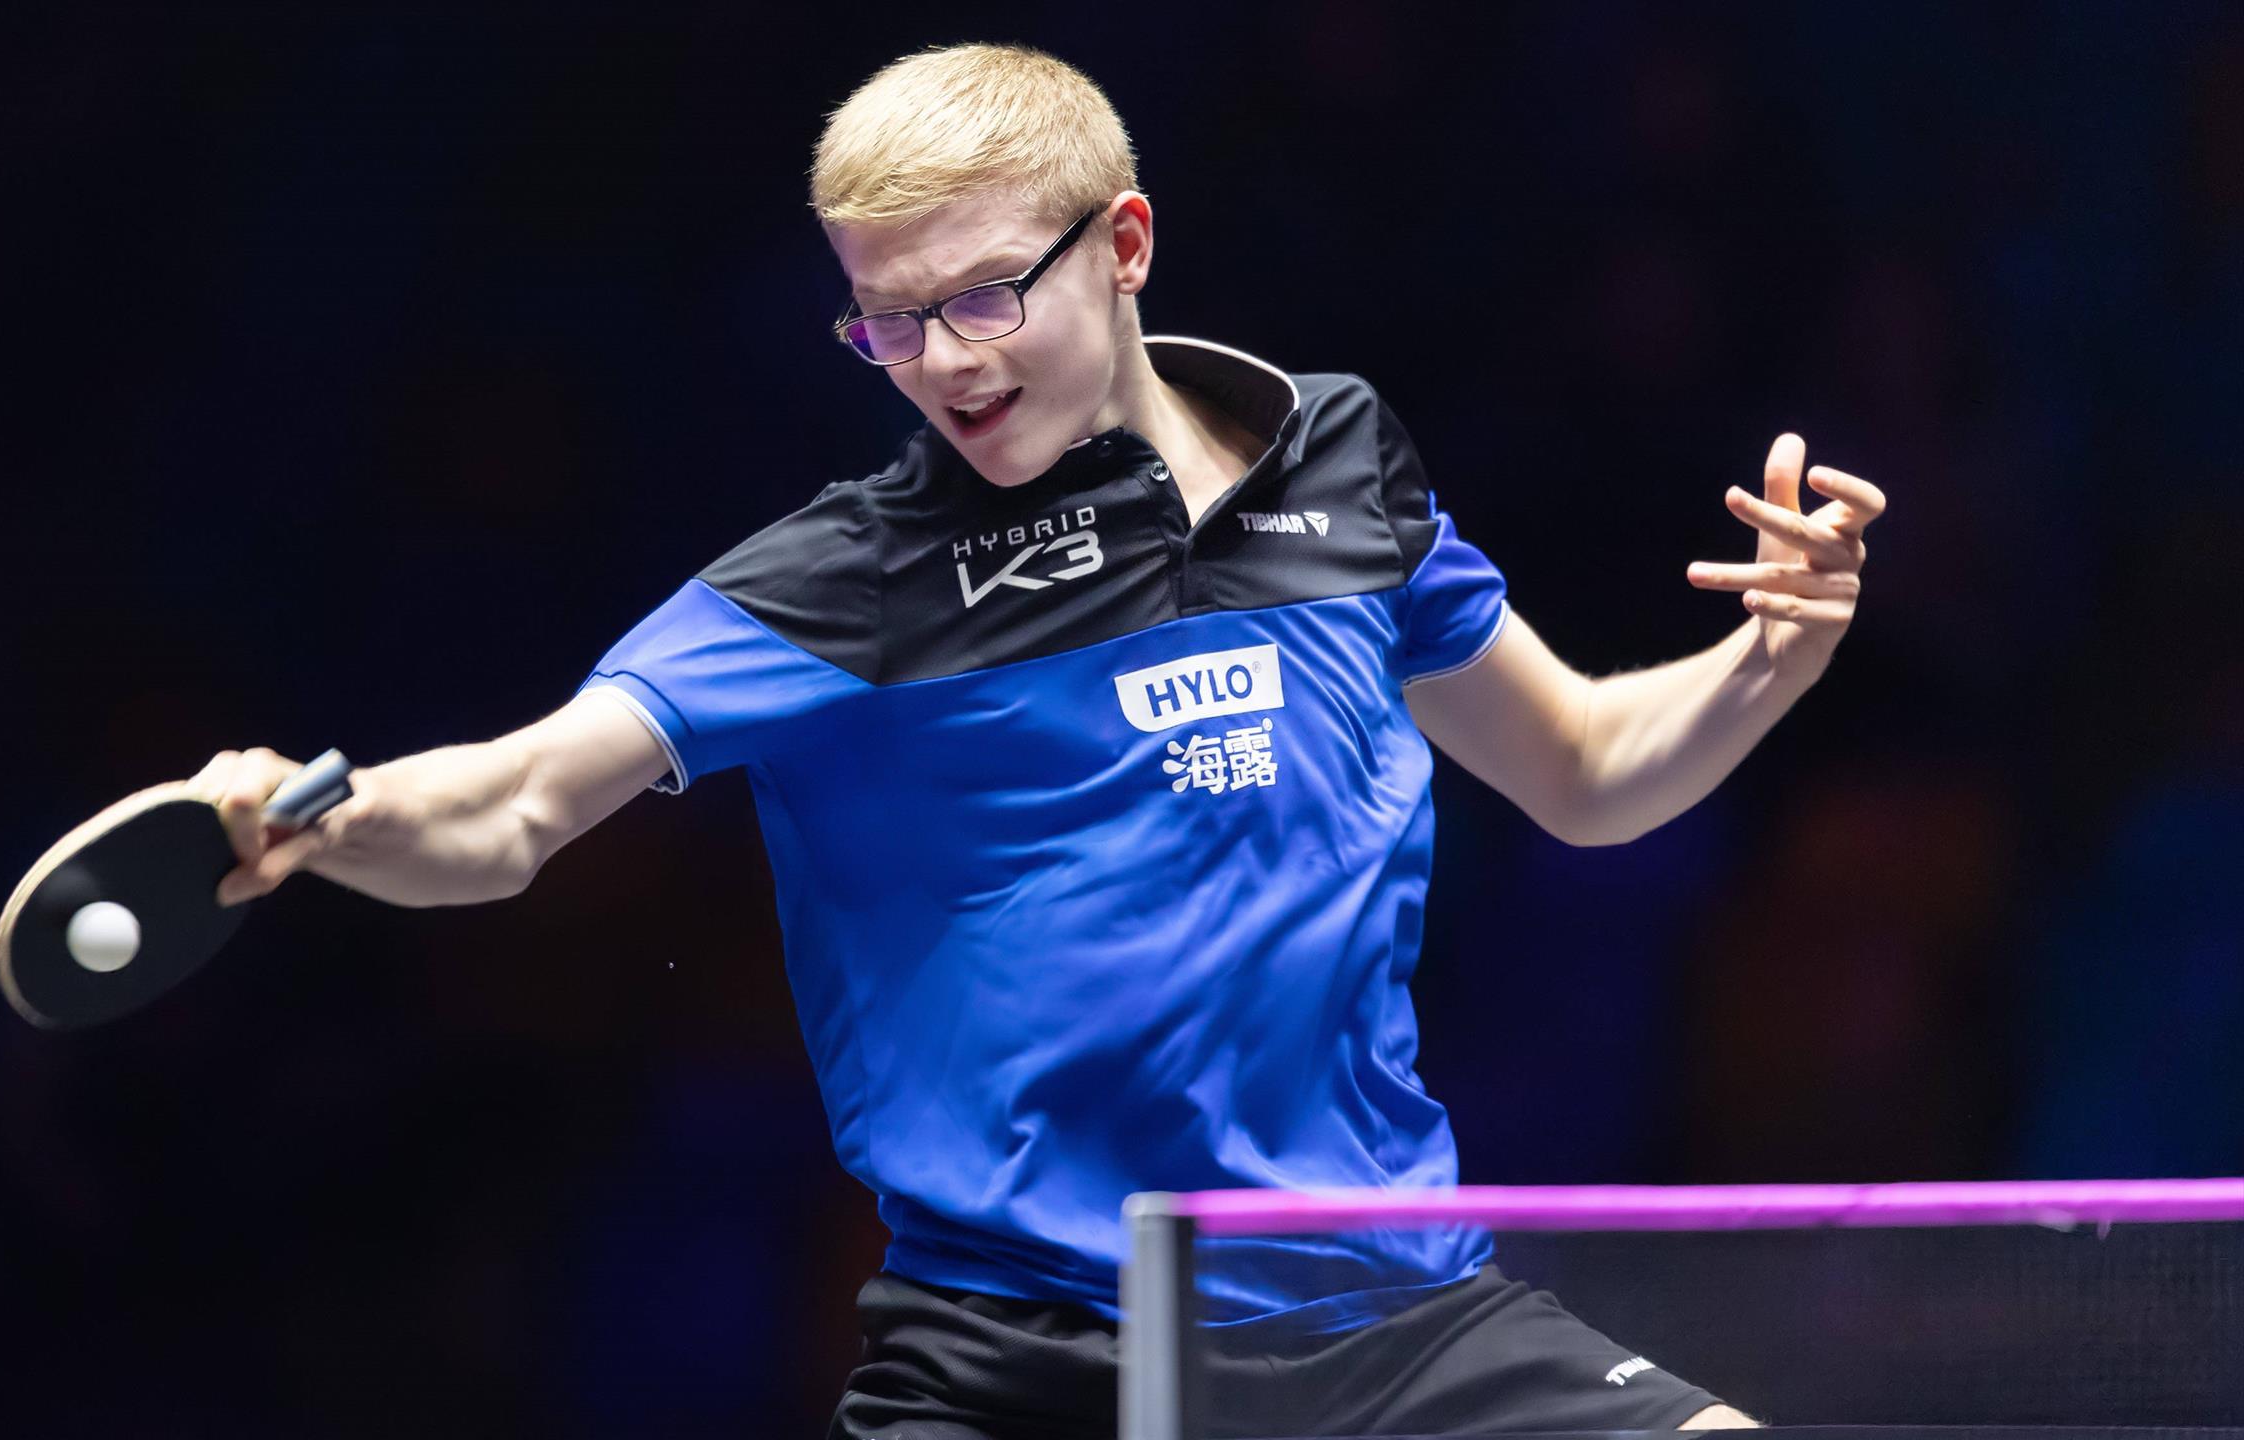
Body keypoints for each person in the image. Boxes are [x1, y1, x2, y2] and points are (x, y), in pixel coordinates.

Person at [192, 43, 1882, 1438]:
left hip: (1393, 1323)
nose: (940, 364)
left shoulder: (1338, 469)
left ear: (1124, 243)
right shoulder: (850, 579)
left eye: (985, 298)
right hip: (1032, 1361)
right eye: (887, 320)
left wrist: (1770, 661)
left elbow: (1583, 771)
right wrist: (320, 814)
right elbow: (511, 807)